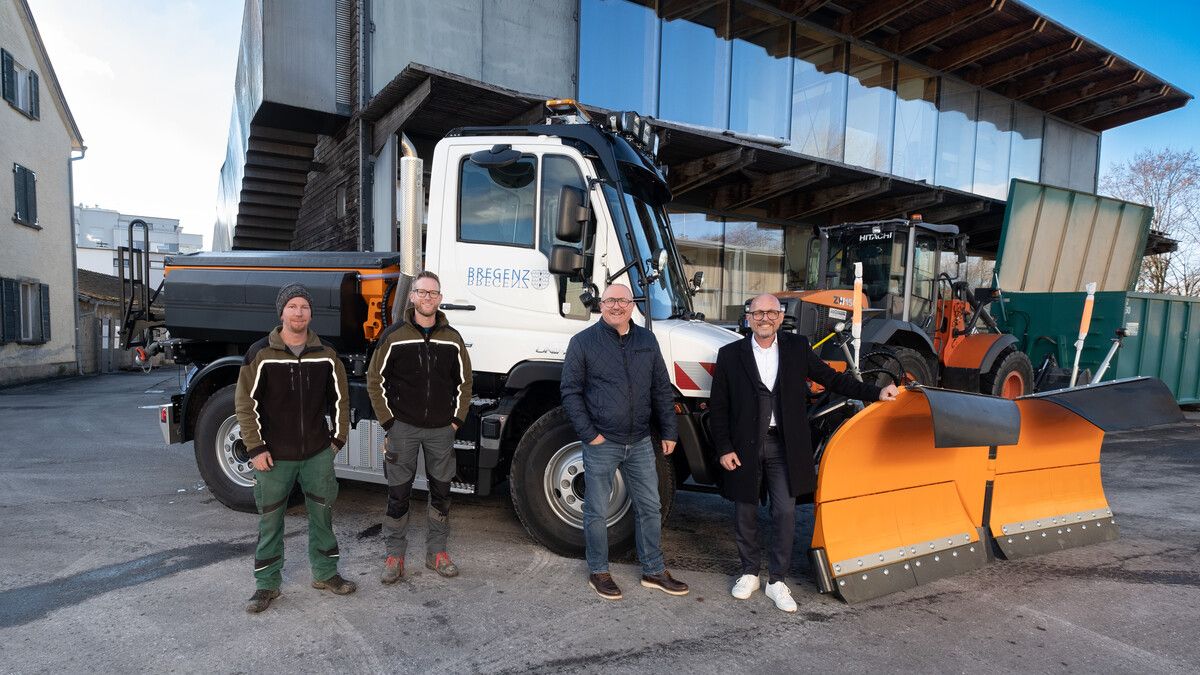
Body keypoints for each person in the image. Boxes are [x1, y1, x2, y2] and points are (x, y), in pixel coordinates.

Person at [709, 293, 899, 613]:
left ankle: (778, 581)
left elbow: (832, 379)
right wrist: (724, 448)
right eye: (758, 313)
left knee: (784, 512)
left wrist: (876, 392)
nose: (765, 318)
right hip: (744, 446)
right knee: (745, 513)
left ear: (781, 317)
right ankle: (749, 572)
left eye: (771, 312)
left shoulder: (798, 348)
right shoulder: (730, 354)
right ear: (748, 318)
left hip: (785, 446)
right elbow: (719, 407)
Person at [560, 283, 689, 601]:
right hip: (602, 442)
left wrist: (670, 431)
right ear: (600, 305)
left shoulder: (647, 340)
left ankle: (653, 570)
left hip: (641, 440)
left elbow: (661, 387)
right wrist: (590, 434)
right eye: (610, 300)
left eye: (623, 300)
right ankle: (599, 571)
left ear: (633, 305)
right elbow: (570, 392)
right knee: (596, 510)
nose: (616, 306)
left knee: (650, 506)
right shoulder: (583, 342)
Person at [236, 283, 354, 613]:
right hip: (273, 457)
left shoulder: (327, 354)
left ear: (310, 313)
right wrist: (255, 448)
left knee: (323, 516)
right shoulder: (260, 353)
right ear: (282, 312)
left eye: (303, 306)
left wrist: (338, 440)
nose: (298, 312)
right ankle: (266, 585)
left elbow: (343, 401)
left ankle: (326, 574)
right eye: (292, 306)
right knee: (270, 522)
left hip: (317, 453)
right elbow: (245, 404)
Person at [367, 270, 472, 583]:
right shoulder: (394, 336)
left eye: (433, 293)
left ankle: (436, 552)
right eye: (422, 292)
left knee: (441, 492)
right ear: (412, 297)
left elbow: (465, 383)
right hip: (404, 429)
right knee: (398, 494)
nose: (428, 298)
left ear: (440, 299)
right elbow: (375, 380)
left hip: (442, 430)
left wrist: (455, 421)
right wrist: (389, 422)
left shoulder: (452, 339)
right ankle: (394, 555)